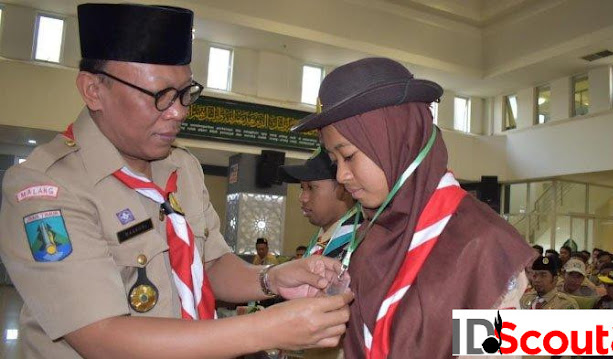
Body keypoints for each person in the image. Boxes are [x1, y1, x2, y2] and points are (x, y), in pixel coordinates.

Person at [0, 4, 352, 358]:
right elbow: (102, 337)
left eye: (186, 93)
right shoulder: (46, 189)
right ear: (93, 90)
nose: (179, 111)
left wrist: (272, 279)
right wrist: (270, 329)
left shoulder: (181, 168)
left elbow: (210, 264)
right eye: (160, 96)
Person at [291, 57, 535, 359]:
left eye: (349, 156)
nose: (341, 176)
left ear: (397, 142)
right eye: (334, 161)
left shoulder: (483, 245)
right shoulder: (371, 238)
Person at [280, 148, 358, 260]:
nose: (302, 198)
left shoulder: (360, 245)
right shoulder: (320, 242)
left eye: (311, 188)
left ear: (344, 188)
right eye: (302, 188)